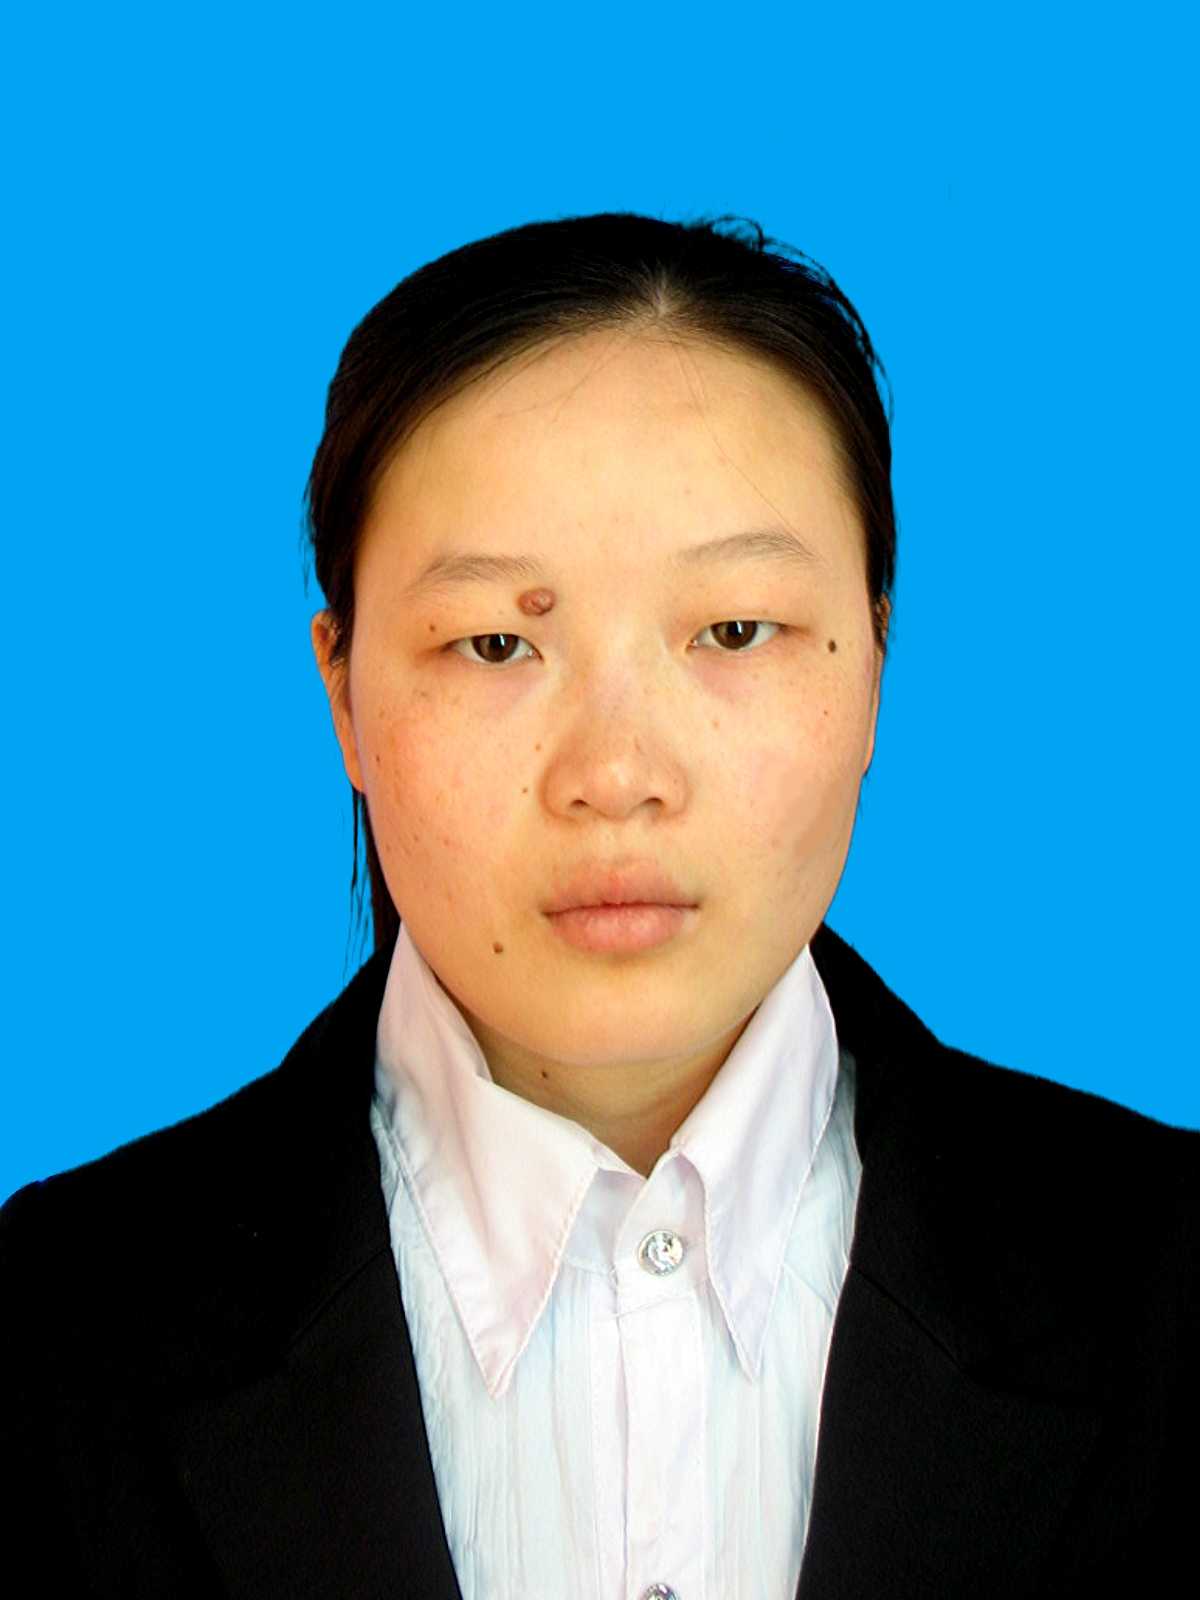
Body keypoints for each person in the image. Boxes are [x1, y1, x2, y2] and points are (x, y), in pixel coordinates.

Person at [2, 211, 1196, 1599]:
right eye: (495, 643)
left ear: (875, 657)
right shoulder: (48, 1335)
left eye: (734, 630)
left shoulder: (1173, 1287)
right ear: (342, 691)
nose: (618, 775)